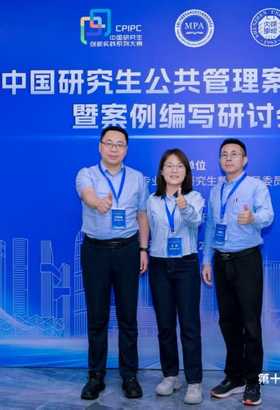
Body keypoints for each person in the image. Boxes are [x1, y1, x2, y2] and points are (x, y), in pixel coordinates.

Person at [76, 125, 150, 400]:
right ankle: (96, 376)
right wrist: (98, 203)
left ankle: (129, 375)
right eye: (109, 143)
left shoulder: (137, 178)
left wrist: (143, 249)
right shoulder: (87, 174)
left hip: (128, 249)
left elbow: (142, 216)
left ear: (126, 150)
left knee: (128, 316)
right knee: (97, 316)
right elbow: (87, 194)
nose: (114, 148)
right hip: (95, 251)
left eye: (120, 144)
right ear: (100, 147)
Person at [201, 138, 274, 406]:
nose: (229, 158)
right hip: (222, 262)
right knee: (228, 322)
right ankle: (234, 377)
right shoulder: (215, 190)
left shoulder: (256, 186)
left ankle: (253, 381)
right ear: (220, 160)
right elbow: (211, 227)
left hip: (246, 260)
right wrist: (207, 260)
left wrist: (253, 218)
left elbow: (268, 215)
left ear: (245, 159)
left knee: (250, 323)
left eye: (235, 153)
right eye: (224, 154)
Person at [146, 149, 205, 405]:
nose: (174, 170)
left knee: (190, 326)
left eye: (179, 166)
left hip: (186, 264)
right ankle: (170, 376)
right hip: (159, 264)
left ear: (186, 172)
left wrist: (184, 207)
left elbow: (195, 222)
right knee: (165, 325)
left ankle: (194, 382)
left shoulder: (195, 197)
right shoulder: (152, 200)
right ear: (161, 171)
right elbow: (151, 228)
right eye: (169, 165)